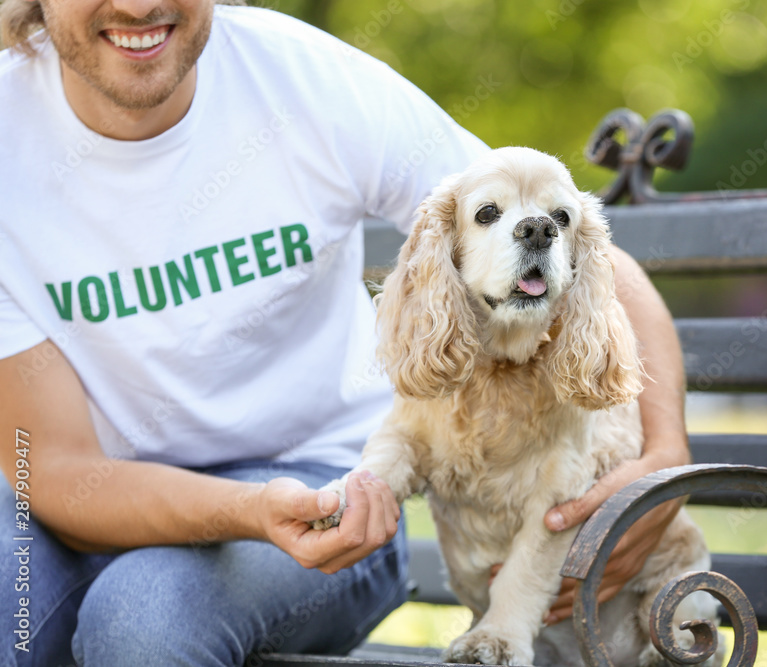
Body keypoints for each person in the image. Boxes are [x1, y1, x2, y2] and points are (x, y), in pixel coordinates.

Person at [0, 1, 692, 665]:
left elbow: (572, 248)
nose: (138, 3)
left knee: (143, 620)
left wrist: (663, 455)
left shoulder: (308, 80)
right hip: (93, 497)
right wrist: (242, 508)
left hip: (334, 490)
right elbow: (56, 470)